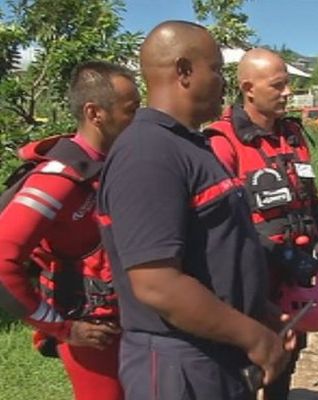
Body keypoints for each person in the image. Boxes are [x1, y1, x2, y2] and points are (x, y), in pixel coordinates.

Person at [96, 21, 293, 400]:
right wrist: (252, 336)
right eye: (217, 69)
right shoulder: (148, 153)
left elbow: (212, 250)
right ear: (184, 71)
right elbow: (157, 284)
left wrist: (257, 309)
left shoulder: (189, 144)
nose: (223, 82)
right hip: (178, 364)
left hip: (213, 351)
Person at [0, 60, 140, 400]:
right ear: (95, 112)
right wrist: (63, 329)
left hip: (133, 325)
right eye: (131, 110)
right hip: (94, 333)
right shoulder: (56, 180)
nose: (138, 119)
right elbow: (3, 261)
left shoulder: (115, 165)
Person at [207, 47, 318, 400]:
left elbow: (310, 196)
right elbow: (222, 225)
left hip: (296, 276)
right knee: (247, 368)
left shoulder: (293, 135)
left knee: (287, 357)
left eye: (289, 85)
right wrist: (274, 253)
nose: (287, 93)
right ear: (248, 88)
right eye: (278, 85)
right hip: (251, 279)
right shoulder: (223, 141)